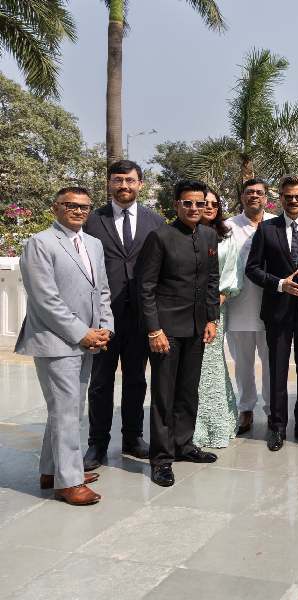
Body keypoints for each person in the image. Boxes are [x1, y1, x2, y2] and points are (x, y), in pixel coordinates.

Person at [16, 187, 113, 505]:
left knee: (67, 409)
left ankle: (52, 470)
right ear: (55, 207)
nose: (78, 211)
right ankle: (68, 482)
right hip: (56, 341)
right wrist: (80, 333)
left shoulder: (93, 244)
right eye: (70, 205)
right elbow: (45, 299)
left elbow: (102, 290)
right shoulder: (39, 243)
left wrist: (104, 328)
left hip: (88, 340)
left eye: (84, 207)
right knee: (66, 412)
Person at [82, 160, 165, 470]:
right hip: (102, 317)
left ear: (140, 184)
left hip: (140, 317)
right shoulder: (92, 221)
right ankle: (97, 444)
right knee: (101, 381)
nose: (124, 186)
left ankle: (132, 438)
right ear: (110, 184)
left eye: (130, 181)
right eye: (118, 181)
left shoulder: (155, 221)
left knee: (135, 381)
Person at [140, 180, 220, 487]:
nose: (194, 208)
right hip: (166, 329)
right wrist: (153, 329)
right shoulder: (160, 237)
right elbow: (146, 287)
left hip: (198, 327)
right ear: (176, 205)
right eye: (188, 203)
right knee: (164, 393)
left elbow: (211, 280)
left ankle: (183, 445)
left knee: (188, 390)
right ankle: (161, 458)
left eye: (200, 203)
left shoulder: (210, 235)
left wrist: (211, 319)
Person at [245, 175, 298, 452]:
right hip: (277, 312)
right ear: (279, 197)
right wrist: (281, 284)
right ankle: (277, 427)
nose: (293, 201)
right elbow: (253, 269)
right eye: (288, 196)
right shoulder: (267, 229)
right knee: (278, 371)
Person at [225, 178, 276, 435]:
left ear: (266, 197)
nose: (254, 196)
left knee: (271, 362)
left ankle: (272, 411)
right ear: (242, 197)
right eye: (249, 192)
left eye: (259, 192)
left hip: (272, 306)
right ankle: (246, 409)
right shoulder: (228, 227)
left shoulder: (277, 223)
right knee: (243, 363)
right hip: (239, 307)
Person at [193, 189, 241, 449]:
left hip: (214, 311)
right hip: (184, 312)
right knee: (191, 368)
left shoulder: (226, 237)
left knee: (211, 366)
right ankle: (191, 423)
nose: (209, 207)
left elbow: (231, 277)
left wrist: (210, 307)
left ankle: (216, 424)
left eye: (214, 203)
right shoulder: (183, 233)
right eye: (204, 203)